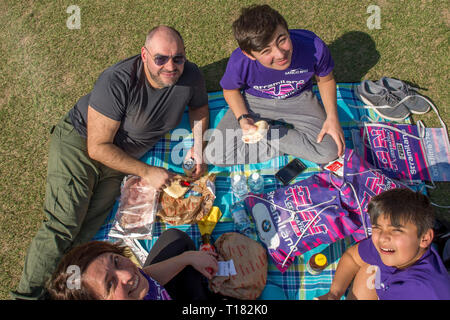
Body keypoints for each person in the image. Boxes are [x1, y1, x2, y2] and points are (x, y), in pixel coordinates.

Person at [12, 25, 210, 300]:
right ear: (144, 55)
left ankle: (60, 294)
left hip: (121, 161)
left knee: (88, 234)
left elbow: (200, 107)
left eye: (178, 58)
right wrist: (147, 171)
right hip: (81, 144)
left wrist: (197, 147)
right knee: (64, 223)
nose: (171, 66)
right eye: (161, 58)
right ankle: (26, 296)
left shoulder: (190, 75)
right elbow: (97, 147)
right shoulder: (117, 81)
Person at [204, 4, 344, 166]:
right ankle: (291, 142)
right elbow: (230, 90)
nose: (280, 54)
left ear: (286, 29)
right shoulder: (239, 61)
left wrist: (333, 118)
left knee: (330, 151)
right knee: (213, 155)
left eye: (282, 40)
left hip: (299, 100)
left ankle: (268, 133)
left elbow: (326, 80)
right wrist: (243, 118)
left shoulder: (312, 45)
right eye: (266, 51)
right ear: (249, 54)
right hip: (255, 102)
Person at [318, 188, 450, 300]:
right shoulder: (389, 249)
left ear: (425, 238)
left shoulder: (428, 292)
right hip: (386, 287)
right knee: (371, 267)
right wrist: (333, 293)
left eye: (396, 230)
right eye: (377, 227)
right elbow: (353, 257)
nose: (383, 238)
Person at [46, 229, 218, 300]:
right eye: (109, 284)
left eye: (115, 260)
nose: (127, 274)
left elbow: (148, 277)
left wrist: (187, 258)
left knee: (174, 239)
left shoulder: (134, 282)